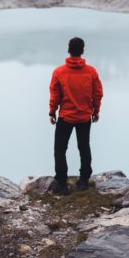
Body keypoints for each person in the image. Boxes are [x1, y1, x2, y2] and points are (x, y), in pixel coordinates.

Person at [48, 36, 103, 194]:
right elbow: (98, 93)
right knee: (84, 147)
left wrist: (52, 112)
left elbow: (55, 95)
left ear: (68, 50)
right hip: (85, 117)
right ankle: (84, 180)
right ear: (82, 51)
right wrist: (96, 111)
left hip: (66, 117)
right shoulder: (91, 71)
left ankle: (62, 183)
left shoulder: (59, 72)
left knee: (60, 149)